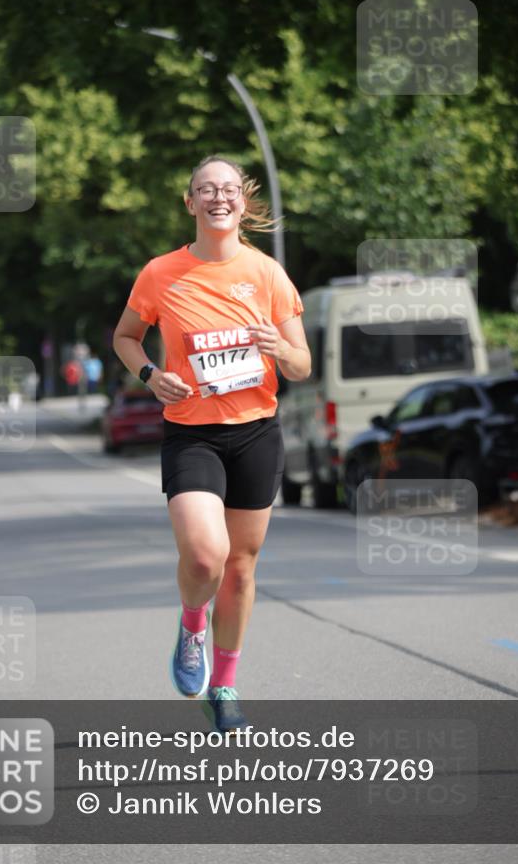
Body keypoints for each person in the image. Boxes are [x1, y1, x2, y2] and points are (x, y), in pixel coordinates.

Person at [113, 155, 311, 733]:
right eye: (206, 189)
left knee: (241, 570)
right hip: (191, 433)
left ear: (242, 203)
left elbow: (301, 365)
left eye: (227, 189)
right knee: (205, 557)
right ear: (190, 202)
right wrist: (150, 375)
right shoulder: (161, 273)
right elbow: (126, 336)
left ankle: (224, 686)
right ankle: (192, 624)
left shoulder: (267, 274)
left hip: (256, 432)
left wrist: (278, 347)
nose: (218, 197)